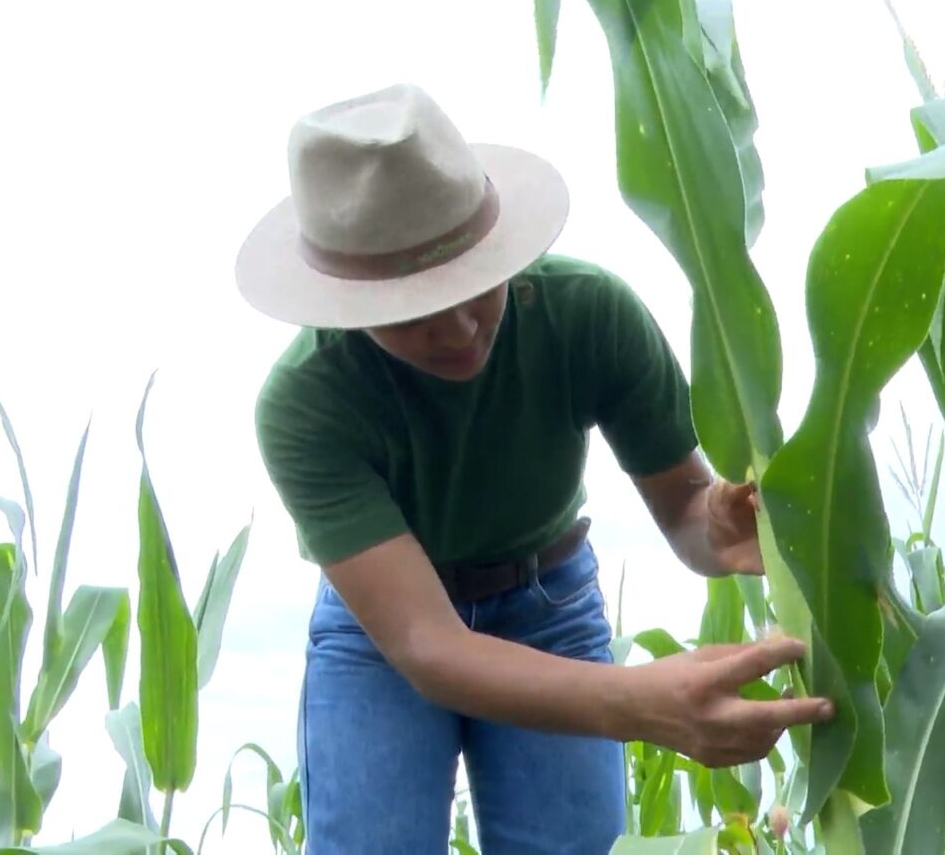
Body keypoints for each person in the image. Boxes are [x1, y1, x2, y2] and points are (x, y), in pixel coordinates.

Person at [235, 82, 834, 854]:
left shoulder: (590, 316)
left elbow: (686, 512)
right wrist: (643, 702)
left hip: (548, 607)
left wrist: (713, 523)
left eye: (469, 283)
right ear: (346, 302)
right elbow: (429, 645)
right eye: (410, 312)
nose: (457, 329)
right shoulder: (306, 403)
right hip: (382, 638)